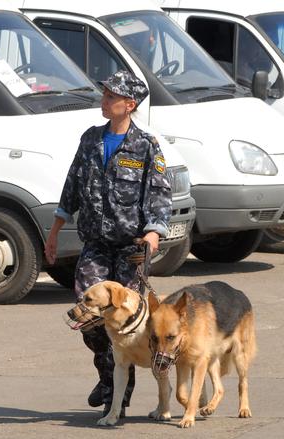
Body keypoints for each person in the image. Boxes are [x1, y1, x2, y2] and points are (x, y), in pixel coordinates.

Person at [44, 70, 172, 415]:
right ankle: (108, 374)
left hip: (131, 248)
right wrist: (55, 229)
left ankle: (119, 393)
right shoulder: (91, 140)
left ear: (129, 105)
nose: (104, 101)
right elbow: (72, 185)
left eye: (111, 97)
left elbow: (160, 192)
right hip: (96, 244)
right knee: (87, 314)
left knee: (126, 319)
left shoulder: (146, 145)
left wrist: (154, 232)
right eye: (104, 96)